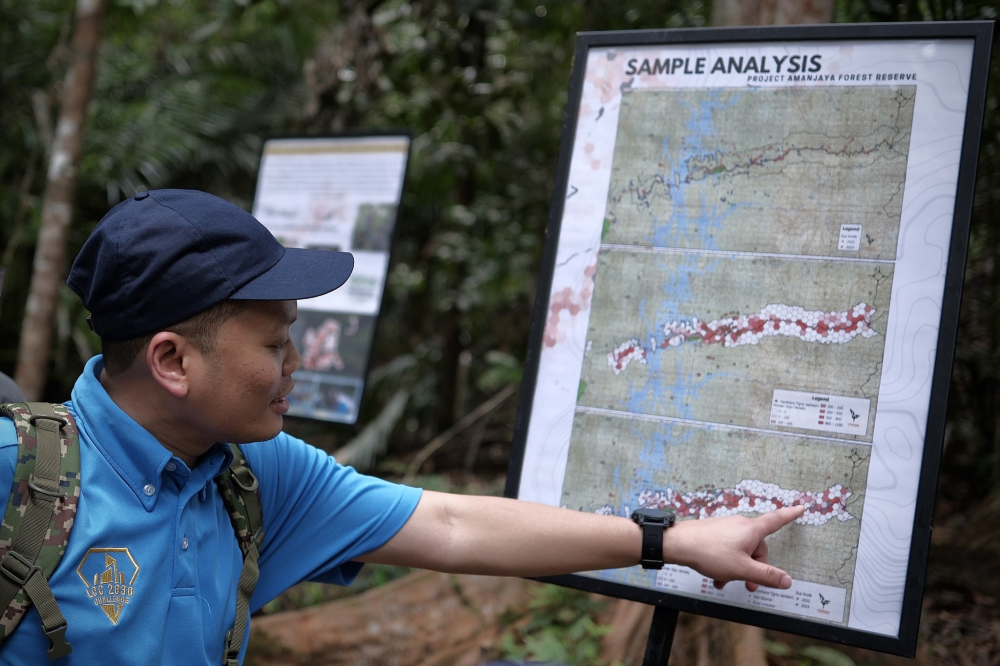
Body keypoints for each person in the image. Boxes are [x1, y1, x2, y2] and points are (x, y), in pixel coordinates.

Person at [0, 189, 803, 664]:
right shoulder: (19, 476)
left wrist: (667, 542)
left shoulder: (250, 472)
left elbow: (449, 524)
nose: (294, 364)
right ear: (172, 362)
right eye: (275, 343)